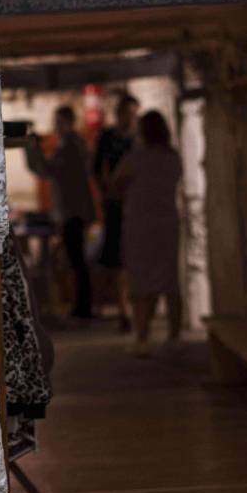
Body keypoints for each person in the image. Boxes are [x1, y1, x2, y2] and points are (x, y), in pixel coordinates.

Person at [112, 111, 184, 357]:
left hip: (140, 224)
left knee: (141, 281)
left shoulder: (135, 158)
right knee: (170, 280)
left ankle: (142, 338)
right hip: (167, 222)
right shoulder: (172, 158)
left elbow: (116, 185)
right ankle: (175, 336)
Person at [25, 106, 96, 320]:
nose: (55, 126)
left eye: (58, 122)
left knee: (76, 261)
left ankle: (83, 308)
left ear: (68, 122)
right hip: (74, 211)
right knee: (76, 261)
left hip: (72, 212)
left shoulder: (70, 147)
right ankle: (82, 306)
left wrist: (31, 147)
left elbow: (45, 170)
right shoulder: (73, 145)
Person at [93, 92, 140, 330]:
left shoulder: (140, 138)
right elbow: (96, 167)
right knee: (116, 261)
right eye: (127, 114)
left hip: (138, 206)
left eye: (134, 114)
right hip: (115, 205)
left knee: (137, 259)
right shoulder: (108, 137)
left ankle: (135, 309)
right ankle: (124, 311)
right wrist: (106, 191)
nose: (130, 118)